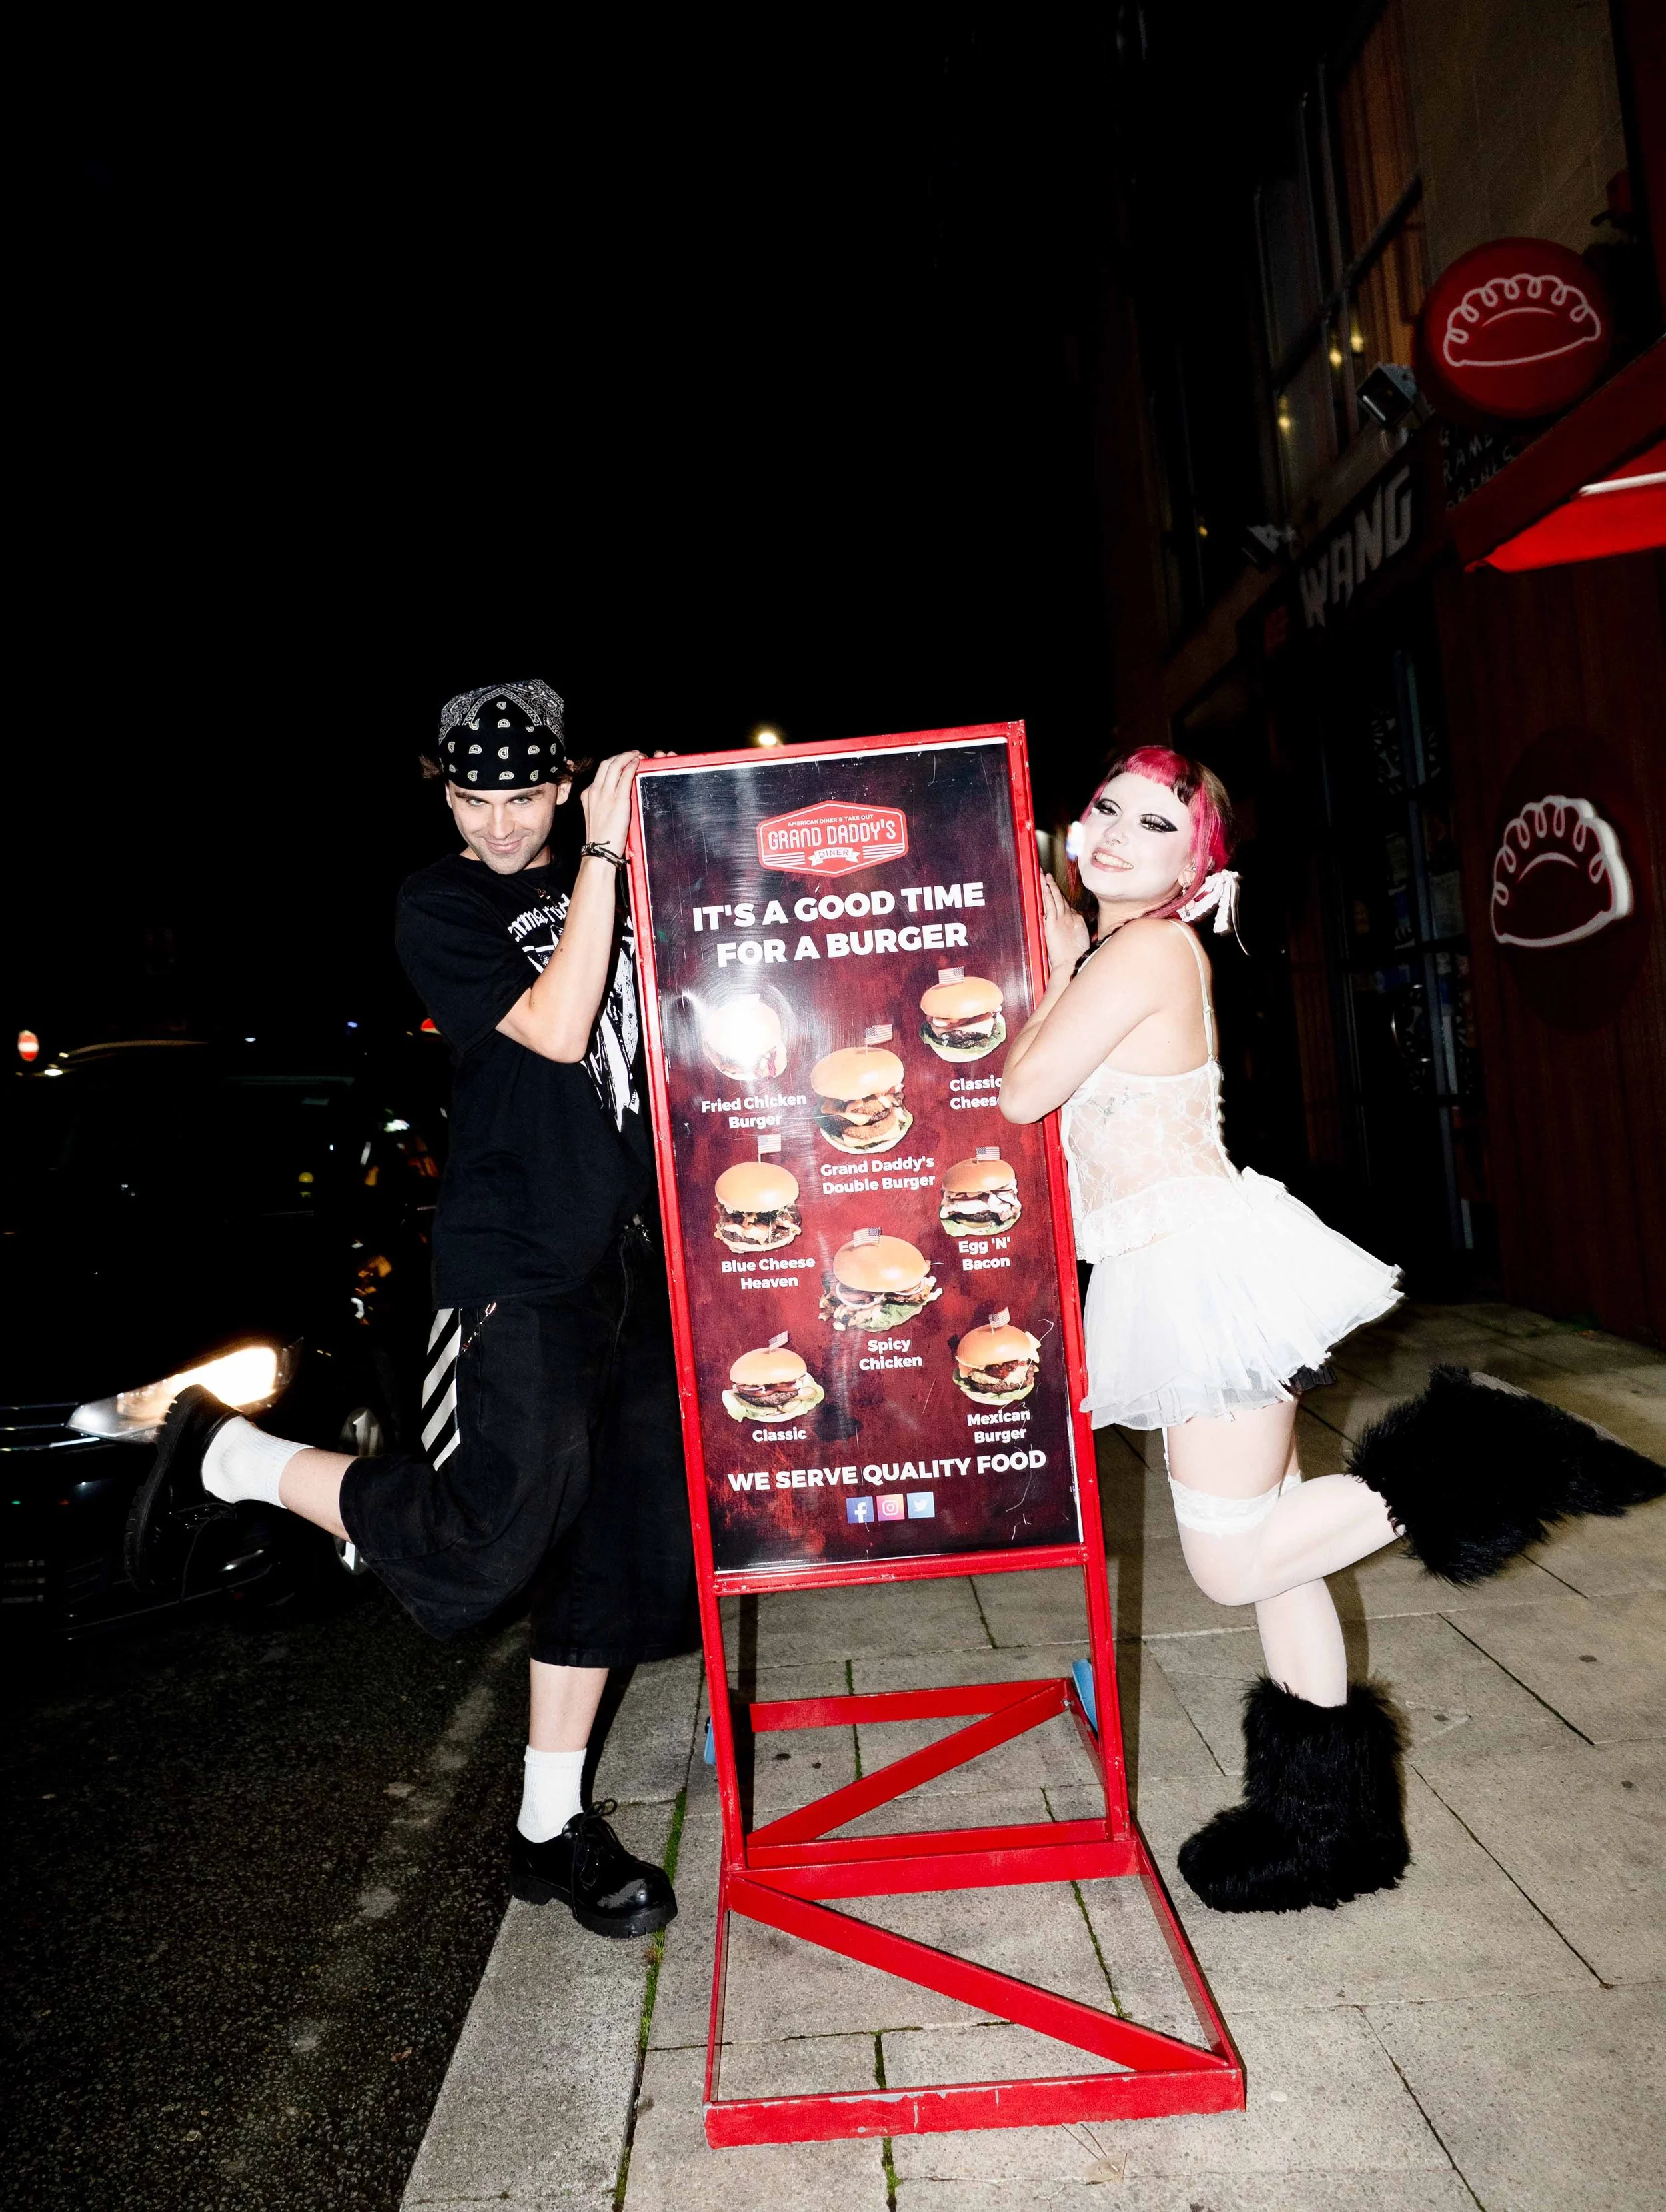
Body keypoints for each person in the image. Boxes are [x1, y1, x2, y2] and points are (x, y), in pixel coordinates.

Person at [1002, 745, 1663, 1913]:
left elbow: (1019, 1089)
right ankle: (1326, 1825)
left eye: (1153, 825)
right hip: (1187, 1268)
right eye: (1104, 807)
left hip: (1197, 1273)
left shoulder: (1146, 949)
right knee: (1273, 1551)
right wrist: (1048, 921)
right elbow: (1065, 996)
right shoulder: (1121, 946)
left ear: (1192, 867)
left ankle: (1478, 1452)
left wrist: (1052, 953)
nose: (1109, 833)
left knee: (1228, 1559)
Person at [127, 678, 697, 1938]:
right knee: (495, 1530)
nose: (498, 825)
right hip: (518, 1261)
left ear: (562, 779)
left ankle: (551, 1827)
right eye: (472, 797)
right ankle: (235, 1453)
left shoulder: (621, 859)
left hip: (639, 1258)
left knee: (612, 1554)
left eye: (523, 796)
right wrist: (604, 850)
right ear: (444, 792)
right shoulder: (440, 903)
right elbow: (554, 1027)